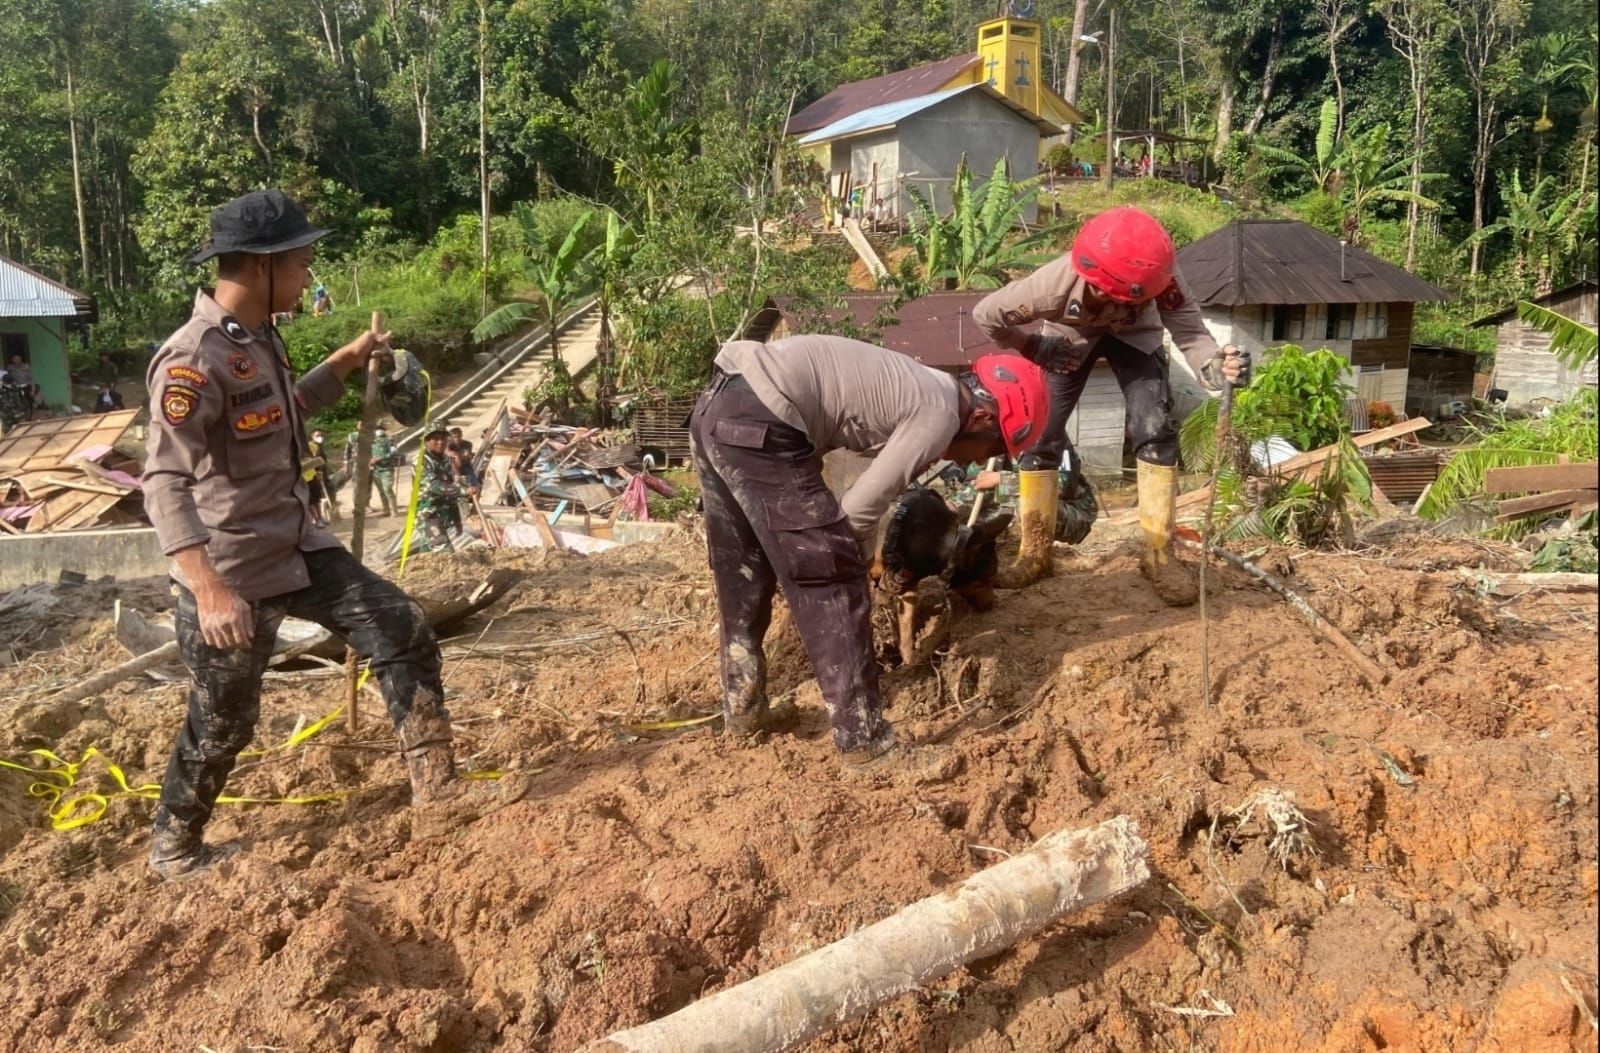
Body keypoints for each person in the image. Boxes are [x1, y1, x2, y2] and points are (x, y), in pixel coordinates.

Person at [140, 188, 503, 880]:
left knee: (400, 626)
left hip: (297, 548)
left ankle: (438, 791)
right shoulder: (192, 360)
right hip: (231, 570)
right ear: (257, 265)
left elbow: (288, 405)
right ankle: (174, 845)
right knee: (225, 721)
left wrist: (343, 361)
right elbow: (162, 481)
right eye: (301, 260)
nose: (309, 271)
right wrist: (208, 587)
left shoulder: (258, 339)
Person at [691, 335, 1049, 777]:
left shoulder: (924, 384)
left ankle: (744, 711)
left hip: (720, 406)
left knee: (743, 574)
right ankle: (867, 746)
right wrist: (852, 560)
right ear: (981, 417)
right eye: (992, 450)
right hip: (764, 421)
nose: (980, 461)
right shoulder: (939, 413)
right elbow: (858, 512)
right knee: (833, 571)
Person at [973, 206, 1250, 606]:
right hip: (1067, 341)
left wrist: (1215, 365)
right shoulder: (1051, 285)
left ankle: (1159, 554)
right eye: (1115, 300)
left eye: (1134, 301)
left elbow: (1191, 334)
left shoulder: (1162, 278)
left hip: (1139, 340)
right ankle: (1033, 553)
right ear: (1094, 283)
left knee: (1154, 429)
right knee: (1039, 436)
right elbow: (987, 315)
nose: (1120, 311)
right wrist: (1032, 345)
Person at [417, 425, 463, 549]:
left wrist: (457, 520)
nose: (440, 442)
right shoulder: (421, 461)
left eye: (443, 438)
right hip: (429, 515)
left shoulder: (445, 460)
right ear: (426, 441)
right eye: (435, 439)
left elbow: (450, 488)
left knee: (427, 556)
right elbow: (434, 486)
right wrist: (463, 491)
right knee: (446, 555)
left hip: (443, 514)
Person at [370, 424, 399, 517]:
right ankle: (386, 510)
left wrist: (380, 458)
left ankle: (394, 510)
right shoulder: (372, 441)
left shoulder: (389, 440)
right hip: (376, 469)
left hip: (387, 468)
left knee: (387, 489)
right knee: (381, 491)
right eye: (376, 429)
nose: (378, 431)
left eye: (380, 429)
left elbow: (394, 452)